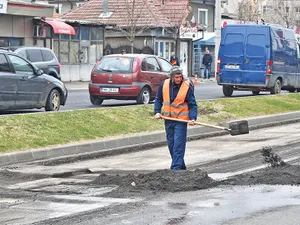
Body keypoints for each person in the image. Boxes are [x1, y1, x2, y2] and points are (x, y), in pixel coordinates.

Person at [154, 66, 198, 171]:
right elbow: (158, 99)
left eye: (180, 77)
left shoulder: (186, 86)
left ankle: (175, 169)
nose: (178, 79)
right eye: (176, 77)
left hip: (181, 121)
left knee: (178, 145)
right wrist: (157, 112)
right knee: (171, 145)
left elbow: (192, 104)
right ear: (172, 77)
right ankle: (181, 167)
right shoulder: (164, 85)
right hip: (168, 120)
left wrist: (192, 118)